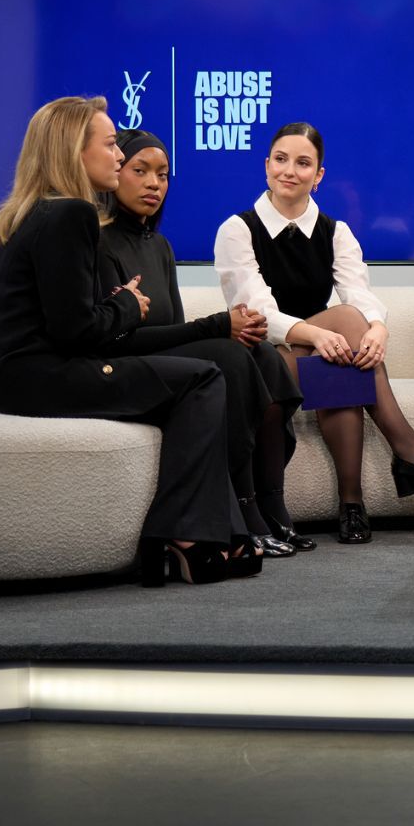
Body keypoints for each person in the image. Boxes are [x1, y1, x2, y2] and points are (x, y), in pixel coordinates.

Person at [0, 96, 250, 587]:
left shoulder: (34, 211)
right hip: (34, 376)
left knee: (191, 381)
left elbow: (64, 316)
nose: (119, 157)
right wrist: (125, 307)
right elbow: (75, 332)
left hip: (5, 375)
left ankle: (222, 529)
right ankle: (176, 537)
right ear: (76, 150)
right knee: (204, 377)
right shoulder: (70, 214)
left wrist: (112, 306)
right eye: (112, 144)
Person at [213, 121, 414, 545]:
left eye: (303, 163)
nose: (289, 170)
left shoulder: (336, 232)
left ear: (319, 175)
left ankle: (356, 505)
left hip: (314, 357)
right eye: (280, 159)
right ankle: (397, 464)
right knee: (344, 328)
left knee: (343, 354)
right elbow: (258, 311)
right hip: (262, 358)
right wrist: (315, 334)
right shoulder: (238, 230)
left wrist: (379, 328)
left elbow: (359, 293)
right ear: (266, 165)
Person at [98, 128, 310, 558]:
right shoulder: (99, 242)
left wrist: (230, 328)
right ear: (117, 173)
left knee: (263, 352)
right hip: (126, 362)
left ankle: (272, 502)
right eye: (140, 171)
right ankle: (245, 509)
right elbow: (118, 336)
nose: (154, 183)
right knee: (229, 353)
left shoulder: (159, 245)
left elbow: (173, 327)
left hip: (163, 357)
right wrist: (217, 327)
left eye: (163, 174)